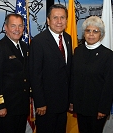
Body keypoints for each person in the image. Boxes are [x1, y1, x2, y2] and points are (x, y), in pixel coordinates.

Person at [29, 4, 72, 133]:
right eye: (55, 17)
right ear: (48, 20)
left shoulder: (68, 38)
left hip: (63, 103)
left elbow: (68, 71)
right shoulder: (38, 42)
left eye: (62, 17)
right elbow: (34, 74)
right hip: (46, 105)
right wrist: (40, 102)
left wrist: (71, 100)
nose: (59, 21)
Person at [69, 16, 113, 133]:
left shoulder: (108, 55)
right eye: (88, 31)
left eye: (95, 31)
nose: (91, 34)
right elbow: (73, 78)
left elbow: (109, 84)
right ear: (84, 33)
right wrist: (72, 101)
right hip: (80, 105)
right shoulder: (78, 51)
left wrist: (103, 108)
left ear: (101, 34)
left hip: (97, 108)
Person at [0, 13, 30, 133]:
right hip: (6, 108)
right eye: (13, 26)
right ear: (5, 28)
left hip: (21, 107)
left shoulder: (24, 46)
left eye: (20, 26)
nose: (17, 29)